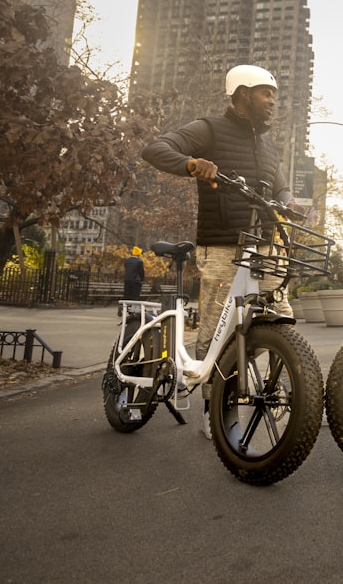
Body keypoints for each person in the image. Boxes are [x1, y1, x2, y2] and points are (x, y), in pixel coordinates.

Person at [141, 64, 292, 438]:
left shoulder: (269, 143)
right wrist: (192, 164)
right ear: (242, 94)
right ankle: (214, 409)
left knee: (282, 321)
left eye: (273, 94)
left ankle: (286, 398)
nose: (272, 101)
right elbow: (156, 149)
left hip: (267, 246)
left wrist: (290, 203)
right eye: (265, 93)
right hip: (224, 244)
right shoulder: (209, 129)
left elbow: (280, 188)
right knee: (216, 330)